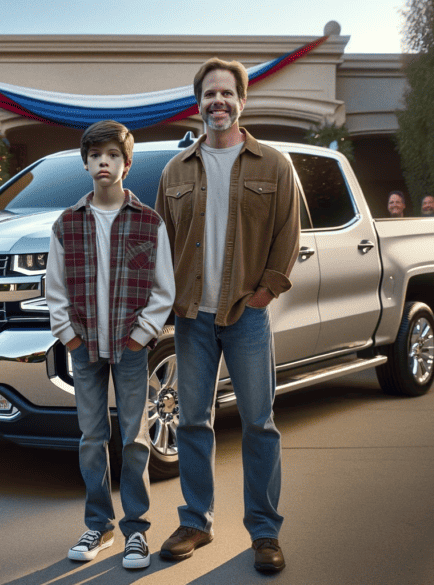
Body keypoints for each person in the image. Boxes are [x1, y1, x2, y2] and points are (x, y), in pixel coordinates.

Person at [154, 58, 298, 574]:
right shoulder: (176, 171)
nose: (218, 101)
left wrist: (264, 292)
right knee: (193, 421)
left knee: (259, 424)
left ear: (242, 101)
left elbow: (288, 234)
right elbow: (162, 243)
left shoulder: (274, 165)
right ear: (199, 104)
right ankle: (196, 520)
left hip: (246, 315)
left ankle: (263, 532)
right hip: (192, 318)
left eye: (227, 93)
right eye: (209, 93)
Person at [47, 120, 174, 571]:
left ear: (127, 164)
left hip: (131, 347)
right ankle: (98, 526)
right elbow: (55, 290)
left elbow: (163, 290)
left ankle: (136, 532)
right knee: (91, 437)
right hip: (84, 347)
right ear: (86, 164)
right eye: (96, 155)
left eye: (113, 155)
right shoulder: (67, 224)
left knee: (135, 440)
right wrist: (71, 337)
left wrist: (142, 337)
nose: (105, 162)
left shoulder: (148, 222)